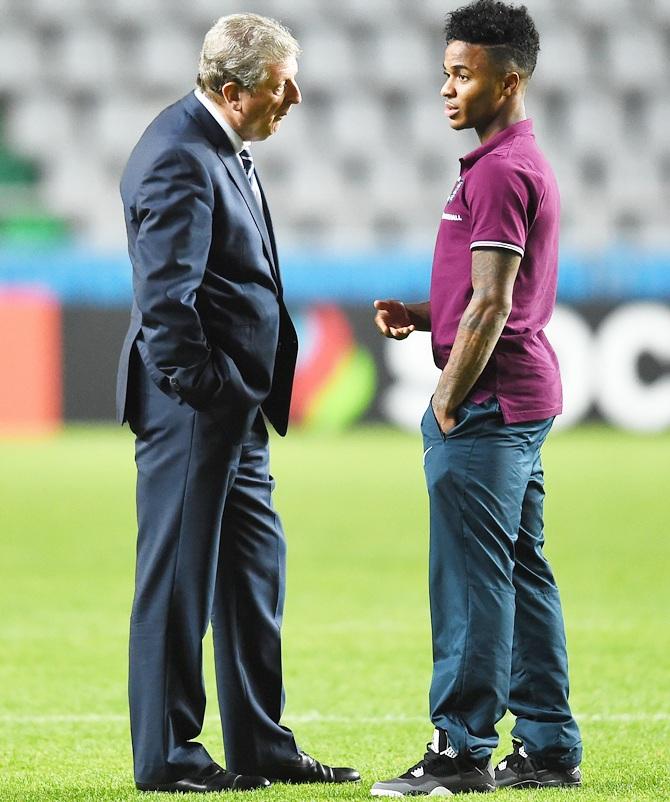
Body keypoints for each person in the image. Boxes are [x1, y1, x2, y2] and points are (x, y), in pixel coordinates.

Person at [116, 13, 359, 793]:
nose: (295, 95)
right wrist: (212, 391)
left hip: (233, 411)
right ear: (233, 89)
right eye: (282, 83)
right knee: (179, 582)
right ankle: (168, 758)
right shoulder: (180, 157)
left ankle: (261, 744)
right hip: (196, 409)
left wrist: (236, 398)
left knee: (253, 574)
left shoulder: (215, 146)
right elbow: (166, 306)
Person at [370, 1, 582, 796]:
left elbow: (493, 307)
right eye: (446, 72)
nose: (447, 88)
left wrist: (446, 398)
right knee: (522, 572)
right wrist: (425, 314)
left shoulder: (495, 172)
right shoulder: (517, 163)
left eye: (464, 73)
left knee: (471, 581)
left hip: (488, 407)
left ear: (510, 78)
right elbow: (493, 293)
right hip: (523, 398)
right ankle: (549, 746)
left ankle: (460, 752)